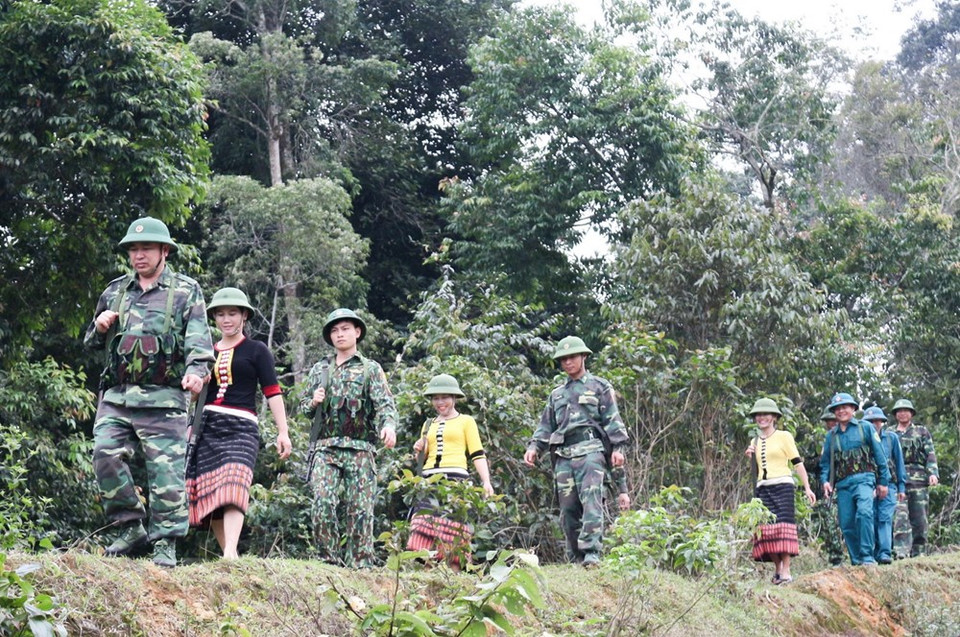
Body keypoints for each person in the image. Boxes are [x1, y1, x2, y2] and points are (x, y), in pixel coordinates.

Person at [84, 217, 214, 568]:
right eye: (133, 250)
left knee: (165, 473)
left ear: (164, 251)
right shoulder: (115, 292)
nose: (138, 255)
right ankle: (130, 526)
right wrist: (98, 328)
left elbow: (200, 344)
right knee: (104, 455)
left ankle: (165, 543)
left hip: (164, 398)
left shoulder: (186, 291)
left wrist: (196, 374)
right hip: (118, 396)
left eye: (146, 249)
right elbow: (91, 342)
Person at [185, 287, 292, 559]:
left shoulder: (257, 350)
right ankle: (229, 555)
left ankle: (231, 551)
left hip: (241, 426)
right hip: (206, 425)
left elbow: (272, 391)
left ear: (244, 316)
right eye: (220, 314)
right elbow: (194, 395)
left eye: (232, 313)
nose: (226, 319)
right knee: (211, 492)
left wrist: (283, 432)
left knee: (234, 484)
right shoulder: (205, 352)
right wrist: (195, 385)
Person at [300, 308, 398, 568]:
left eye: (345, 329)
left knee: (361, 510)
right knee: (322, 503)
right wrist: (313, 402)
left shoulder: (371, 369)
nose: (339, 334)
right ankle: (328, 562)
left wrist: (389, 426)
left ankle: (360, 564)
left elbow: (385, 404)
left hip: (361, 448)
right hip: (325, 448)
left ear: (357, 332)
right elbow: (302, 408)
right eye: (334, 330)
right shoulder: (320, 369)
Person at [523, 336, 629, 567]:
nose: (568, 362)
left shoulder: (600, 387)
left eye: (572, 357)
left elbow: (613, 421)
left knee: (591, 501)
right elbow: (545, 426)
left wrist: (618, 448)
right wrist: (534, 447)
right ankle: (575, 557)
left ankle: (591, 553)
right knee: (568, 509)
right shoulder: (557, 395)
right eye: (563, 359)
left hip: (591, 451)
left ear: (584, 357)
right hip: (564, 455)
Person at [406, 374, 494, 570]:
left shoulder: (466, 421)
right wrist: (419, 448)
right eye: (436, 398)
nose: (440, 402)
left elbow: (477, 453)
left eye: (445, 397)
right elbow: (421, 457)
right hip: (429, 479)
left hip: (456, 479)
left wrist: (486, 481)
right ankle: (428, 574)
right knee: (422, 527)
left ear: (454, 398)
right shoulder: (428, 424)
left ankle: (453, 577)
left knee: (454, 532)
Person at [744, 398, 816, 584]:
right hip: (763, 489)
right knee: (766, 531)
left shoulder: (784, 436)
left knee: (783, 528)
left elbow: (797, 463)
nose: (762, 418)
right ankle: (777, 568)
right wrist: (750, 456)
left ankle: (786, 569)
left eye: (766, 414)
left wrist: (807, 487)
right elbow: (756, 468)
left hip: (783, 487)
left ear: (774, 417)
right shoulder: (755, 440)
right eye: (759, 415)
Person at [819, 393, 891, 566]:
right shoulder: (831, 436)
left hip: (864, 480)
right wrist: (825, 481)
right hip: (843, 485)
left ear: (853, 409)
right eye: (837, 408)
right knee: (846, 522)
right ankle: (856, 559)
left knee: (865, 513)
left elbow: (880, 456)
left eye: (845, 407)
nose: (841, 411)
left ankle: (867, 556)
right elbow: (825, 464)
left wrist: (883, 481)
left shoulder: (865, 427)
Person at [887, 398, 940, 558]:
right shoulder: (889, 433)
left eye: (906, 410)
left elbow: (930, 453)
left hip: (918, 479)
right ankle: (901, 552)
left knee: (920, 518)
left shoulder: (921, 431)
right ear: (896, 414)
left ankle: (920, 552)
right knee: (900, 516)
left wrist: (933, 473)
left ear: (911, 413)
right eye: (899, 411)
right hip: (897, 480)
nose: (903, 413)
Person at [862, 406, 906, 564]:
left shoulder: (891, 438)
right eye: (870, 421)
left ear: (882, 422)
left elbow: (899, 462)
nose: (874, 424)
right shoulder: (862, 438)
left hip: (890, 484)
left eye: (877, 421)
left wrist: (901, 486)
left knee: (885, 518)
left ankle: (885, 553)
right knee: (870, 517)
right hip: (868, 485)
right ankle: (873, 553)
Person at [811, 407, 845, 566]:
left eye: (833, 421)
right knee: (828, 520)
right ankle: (836, 557)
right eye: (828, 422)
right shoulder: (827, 439)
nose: (830, 424)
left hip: (846, 483)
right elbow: (821, 465)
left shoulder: (848, 436)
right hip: (829, 487)